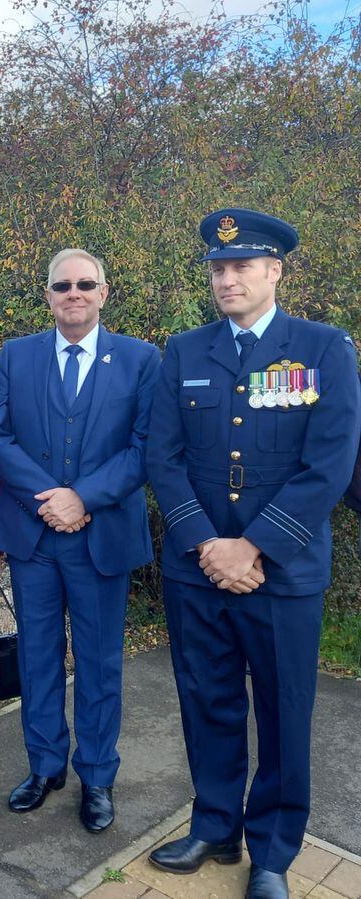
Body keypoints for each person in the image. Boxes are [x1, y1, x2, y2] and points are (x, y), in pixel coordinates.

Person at [145, 209, 360, 899]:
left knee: (283, 708)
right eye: (218, 267)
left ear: (275, 271)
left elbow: (328, 464)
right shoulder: (184, 350)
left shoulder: (324, 350)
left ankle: (271, 851)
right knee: (206, 702)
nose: (228, 277)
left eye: (242, 266)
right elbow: (163, 455)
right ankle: (214, 825)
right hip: (197, 567)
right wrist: (209, 545)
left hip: (283, 572)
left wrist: (253, 547)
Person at [0, 248, 160, 833]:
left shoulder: (139, 360)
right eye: (63, 285)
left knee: (100, 662)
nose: (74, 293)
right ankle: (45, 766)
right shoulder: (16, 355)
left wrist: (83, 497)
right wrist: (54, 498)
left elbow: (145, 448)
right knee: (37, 659)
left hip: (101, 538)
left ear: (104, 292)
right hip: (35, 538)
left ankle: (98, 776)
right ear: (49, 295)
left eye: (86, 284)